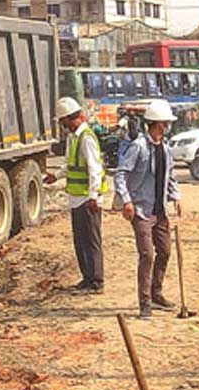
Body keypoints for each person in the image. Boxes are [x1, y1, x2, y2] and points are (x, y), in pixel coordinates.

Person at [115, 99, 182, 320]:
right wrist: (126, 201)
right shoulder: (139, 147)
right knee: (147, 255)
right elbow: (121, 174)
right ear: (156, 123)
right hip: (141, 211)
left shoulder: (165, 148)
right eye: (164, 123)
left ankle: (156, 293)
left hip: (160, 210)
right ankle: (144, 303)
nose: (167, 126)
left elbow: (169, 175)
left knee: (165, 251)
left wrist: (176, 197)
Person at [47, 97, 108, 293]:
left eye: (64, 122)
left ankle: (96, 281)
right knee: (80, 242)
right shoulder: (74, 138)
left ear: (72, 118)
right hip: (76, 198)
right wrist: (56, 175)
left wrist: (93, 196)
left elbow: (94, 169)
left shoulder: (86, 138)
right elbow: (70, 164)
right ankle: (87, 278)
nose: (63, 126)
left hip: (87, 199)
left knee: (91, 241)